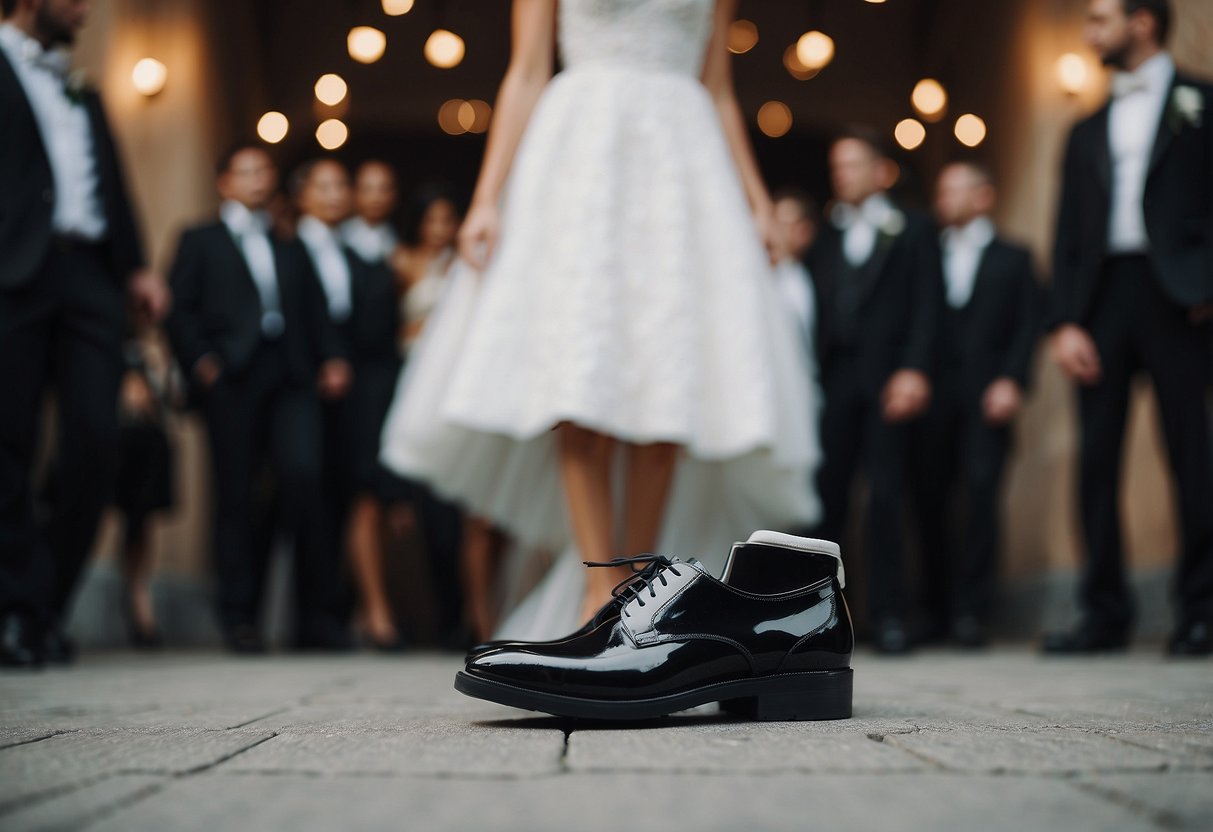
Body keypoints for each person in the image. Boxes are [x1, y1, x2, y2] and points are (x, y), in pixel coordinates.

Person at [379, 0, 820, 642]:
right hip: (581, 158)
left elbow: (720, 90)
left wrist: (756, 202)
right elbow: (525, 72)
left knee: (671, 382)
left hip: (682, 163)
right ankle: (597, 587)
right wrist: (485, 198)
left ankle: (640, 587)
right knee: (577, 371)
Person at [0, 0, 170, 668]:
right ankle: (21, 610)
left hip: (90, 279)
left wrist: (134, 267)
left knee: (101, 442)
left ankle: (43, 601)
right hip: (12, 274)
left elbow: (112, 190)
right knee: (8, 442)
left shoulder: (84, 89)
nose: (88, 7)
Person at [1044, 0, 1213, 656]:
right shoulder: (1083, 129)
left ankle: (1200, 609)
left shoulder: (1201, 102)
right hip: (1100, 300)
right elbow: (1062, 235)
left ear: (1142, 22)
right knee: (1094, 460)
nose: (1089, 32)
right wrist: (1062, 322)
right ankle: (1102, 613)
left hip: (1179, 298)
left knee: (1189, 455)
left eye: (1099, 18)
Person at [166, 144, 352, 653]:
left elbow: (316, 313)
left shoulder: (290, 243)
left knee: (303, 477)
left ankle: (315, 617)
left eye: (264, 170)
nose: (256, 179)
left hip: (291, 377)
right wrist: (202, 362)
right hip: (233, 378)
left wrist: (332, 358)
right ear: (224, 182)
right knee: (236, 493)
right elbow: (178, 309)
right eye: (245, 171)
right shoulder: (199, 238)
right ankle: (238, 617)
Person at [806, 127, 943, 654]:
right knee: (829, 499)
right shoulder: (827, 234)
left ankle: (889, 613)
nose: (842, 175)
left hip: (889, 379)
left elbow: (928, 304)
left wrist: (915, 369)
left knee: (887, 495)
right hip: (835, 380)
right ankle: (820, 619)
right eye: (837, 166)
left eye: (853, 164)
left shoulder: (912, 228)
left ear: (882, 170)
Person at [909, 160, 1042, 649]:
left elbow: (1029, 325)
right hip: (933, 397)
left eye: (954, 190)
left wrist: (1012, 380)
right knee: (928, 500)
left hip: (989, 394)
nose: (943, 200)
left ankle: (973, 612)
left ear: (983, 196)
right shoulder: (925, 253)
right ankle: (934, 609)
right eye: (940, 191)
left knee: (982, 497)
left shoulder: (1016, 256)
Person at [294, 158, 405, 651]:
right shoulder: (291, 245)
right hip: (306, 384)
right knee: (312, 489)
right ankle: (323, 613)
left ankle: (342, 611)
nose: (339, 195)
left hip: (361, 388)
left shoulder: (371, 259)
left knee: (352, 490)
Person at [114, 330, 180, 648]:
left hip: (148, 446)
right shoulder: (109, 331)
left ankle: (139, 598)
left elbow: (174, 397)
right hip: (115, 442)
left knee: (141, 523)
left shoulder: (157, 347)